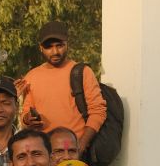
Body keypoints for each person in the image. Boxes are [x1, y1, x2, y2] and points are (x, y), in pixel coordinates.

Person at [20, 21, 106, 156]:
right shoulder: (31, 76)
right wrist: (28, 119)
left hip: (73, 151)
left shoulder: (82, 72)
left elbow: (98, 111)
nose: (55, 52)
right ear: (40, 48)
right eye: (49, 47)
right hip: (45, 154)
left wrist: (81, 145)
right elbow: (24, 115)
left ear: (67, 44)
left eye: (59, 45)